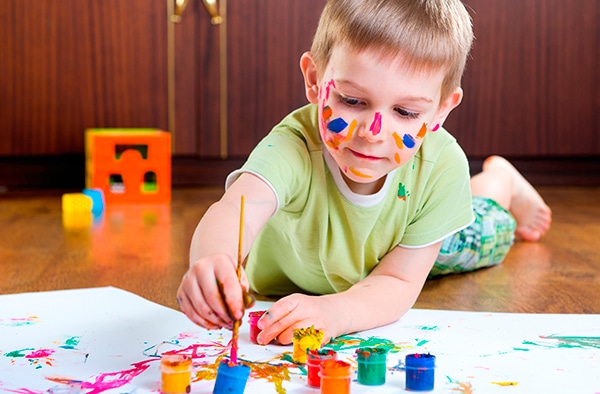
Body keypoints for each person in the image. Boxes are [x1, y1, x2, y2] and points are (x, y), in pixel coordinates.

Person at [177, 0, 551, 346]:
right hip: (331, 262)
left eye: (405, 113)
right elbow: (234, 210)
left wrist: (337, 312)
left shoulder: (440, 166)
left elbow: (398, 280)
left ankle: (499, 182)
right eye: (352, 101)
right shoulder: (292, 147)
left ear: (441, 109)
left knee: (484, 235)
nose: (373, 133)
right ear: (314, 80)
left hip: (408, 247)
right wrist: (213, 260)